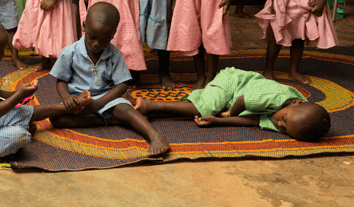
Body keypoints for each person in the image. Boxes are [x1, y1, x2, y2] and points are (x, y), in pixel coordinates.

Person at [0, 17, 91, 160]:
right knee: (20, 135)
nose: (3, 56)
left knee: (23, 112)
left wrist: (20, 93)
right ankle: (15, 130)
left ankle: (67, 107)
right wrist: (19, 95)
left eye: (4, 51)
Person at [48, 2, 170, 157]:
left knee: (125, 109)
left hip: (106, 99)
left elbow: (122, 85)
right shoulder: (69, 53)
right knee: (56, 118)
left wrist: (99, 103)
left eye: (104, 40)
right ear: (84, 26)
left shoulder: (114, 54)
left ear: (113, 34)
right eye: (92, 37)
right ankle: (112, 121)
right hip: (78, 100)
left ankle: (155, 136)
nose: (96, 44)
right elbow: (61, 81)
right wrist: (67, 98)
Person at [135, 67, 331, 141]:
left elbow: (254, 121)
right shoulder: (276, 96)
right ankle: (150, 106)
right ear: (296, 102)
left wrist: (218, 122)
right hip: (234, 82)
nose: (279, 124)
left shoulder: (292, 121)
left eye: (284, 129)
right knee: (204, 108)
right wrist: (228, 114)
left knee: (207, 110)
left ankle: (154, 111)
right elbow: (243, 100)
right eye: (284, 120)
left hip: (235, 99)